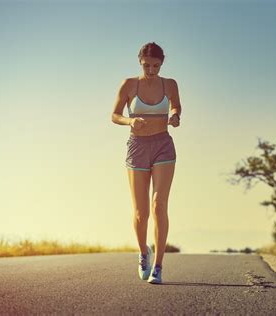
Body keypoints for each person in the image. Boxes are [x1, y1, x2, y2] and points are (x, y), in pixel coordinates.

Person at [111, 42, 181, 284]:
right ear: (139, 62)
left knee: (158, 205)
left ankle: (159, 266)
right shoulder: (129, 84)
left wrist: (174, 116)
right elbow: (115, 115)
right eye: (146, 65)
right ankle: (143, 252)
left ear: (162, 64)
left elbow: (176, 105)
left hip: (163, 146)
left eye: (156, 66)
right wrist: (130, 122)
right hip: (137, 148)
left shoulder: (170, 84)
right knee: (141, 213)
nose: (151, 70)